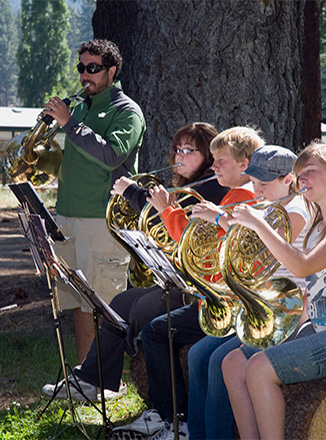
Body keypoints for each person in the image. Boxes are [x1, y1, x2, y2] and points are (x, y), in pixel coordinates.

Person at [42, 123, 228, 403]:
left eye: (189, 151)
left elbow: (171, 226)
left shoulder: (211, 188)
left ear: (208, 155)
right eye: (177, 149)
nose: (179, 156)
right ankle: (94, 379)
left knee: (142, 309)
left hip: (199, 289)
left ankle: (158, 405)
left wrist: (133, 192)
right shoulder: (187, 186)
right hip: (179, 280)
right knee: (120, 303)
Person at [222, 142, 326, 440]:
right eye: (299, 174)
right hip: (322, 327)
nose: (301, 180)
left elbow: (302, 267)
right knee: (234, 362)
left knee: (261, 368)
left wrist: (260, 224)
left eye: (309, 172)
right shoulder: (317, 223)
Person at [117, 126, 265, 440]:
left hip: (226, 304)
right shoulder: (233, 194)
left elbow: (196, 245)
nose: (213, 166)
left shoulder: (241, 198)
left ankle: (175, 420)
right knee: (168, 336)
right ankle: (183, 424)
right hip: (214, 298)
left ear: (244, 163)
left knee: (158, 331)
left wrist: (166, 209)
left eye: (221, 160)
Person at [185, 145, 312, 440]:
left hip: (291, 308)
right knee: (216, 358)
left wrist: (223, 220)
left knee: (220, 360)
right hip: (266, 303)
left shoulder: (296, 210)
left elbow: (264, 248)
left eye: (264, 184)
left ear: (289, 180)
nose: (257, 189)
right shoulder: (270, 207)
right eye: (254, 182)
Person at [43, 39, 146, 363]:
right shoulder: (82, 106)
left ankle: (106, 378)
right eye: (81, 68)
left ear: (111, 71)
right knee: (78, 303)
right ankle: (86, 376)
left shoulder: (126, 111)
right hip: (69, 217)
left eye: (93, 69)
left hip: (101, 220)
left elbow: (111, 154)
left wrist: (69, 125)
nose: (85, 75)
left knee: (104, 304)